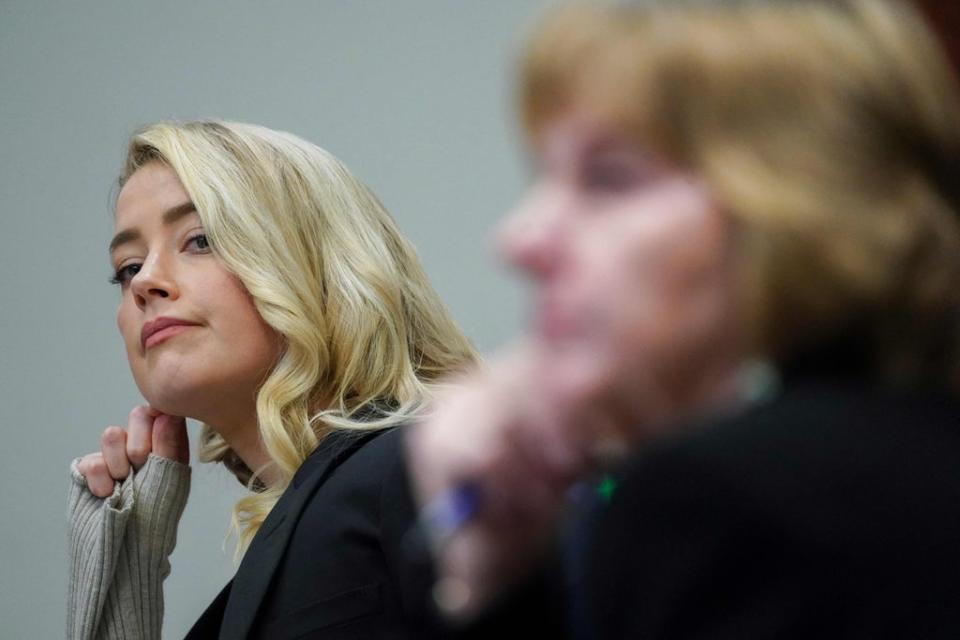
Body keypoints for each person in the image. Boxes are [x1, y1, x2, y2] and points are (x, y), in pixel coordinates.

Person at [404, 0, 960, 637]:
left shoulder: (713, 499)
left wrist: (482, 589)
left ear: (802, 208)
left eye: (609, 178)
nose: (519, 238)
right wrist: (503, 565)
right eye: (543, 176)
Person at [66, 120, 477, 639]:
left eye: (199, 239)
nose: (145, 281)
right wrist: (125, 571)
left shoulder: (426, 465)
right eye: (127, 267)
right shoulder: (290, 550)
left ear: (319, 261)